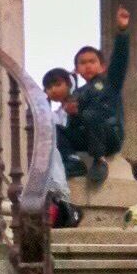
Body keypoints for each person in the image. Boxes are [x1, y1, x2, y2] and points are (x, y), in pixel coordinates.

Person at [61, 6, 131, 185]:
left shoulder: (110, 84)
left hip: (109, 136)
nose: (88, 66)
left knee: (91, 115)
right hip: (88, 138)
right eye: (83, 63)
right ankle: (71, 161)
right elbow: (74, 125)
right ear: (77, 69)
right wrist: (72, 113)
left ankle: (99, 160)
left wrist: (122, 32)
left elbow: (120, 61)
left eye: (92, 61)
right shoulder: (77, 93)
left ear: (102, 66)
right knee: (56, 130)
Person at [40, 67, 82, 229]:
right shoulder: (57, 111)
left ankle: (73, 162)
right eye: (49, 88)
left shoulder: (75, 101)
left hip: (76, 144)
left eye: (57, 85)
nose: (53, 90)